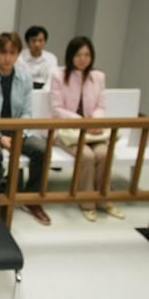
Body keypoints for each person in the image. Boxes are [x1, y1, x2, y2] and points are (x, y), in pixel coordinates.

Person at [0, 32, 51, 225]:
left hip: (17, 130)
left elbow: (26, 112)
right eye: (3, 52)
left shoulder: (24, 77)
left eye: (12, 53)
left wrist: (17, 134)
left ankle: (31, 199)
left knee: (41, 149)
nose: (7, 57)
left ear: (17, 54)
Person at [50, 36, 125, 222]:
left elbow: (101, 105)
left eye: (87, 54)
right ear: (70, 56)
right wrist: (82, 121)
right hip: (68, 131)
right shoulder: (58, 76)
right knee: (87, 156)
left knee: (104, 154)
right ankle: (87, 202)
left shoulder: (98, 76)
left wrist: (94, 121)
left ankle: (104, 199)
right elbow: (57, 108)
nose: (83, 59)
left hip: (93, 131)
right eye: (78, 55)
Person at [18, 25, 58, 89]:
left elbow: (51, 80)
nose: (37, 44)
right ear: (28, 42)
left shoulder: (51, 58)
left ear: (45, 41)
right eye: (33, 41)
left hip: (44, 92)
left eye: (40, 40)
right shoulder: (19, 57)